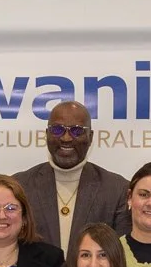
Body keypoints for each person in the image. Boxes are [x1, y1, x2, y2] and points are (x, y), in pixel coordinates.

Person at [14, 100, 130, 251]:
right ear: (47, 134)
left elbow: (121, 256)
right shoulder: (20, 186)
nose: (66, 138)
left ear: (90, 137)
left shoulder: (117, 190)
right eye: (57, 130)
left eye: (76, 131)